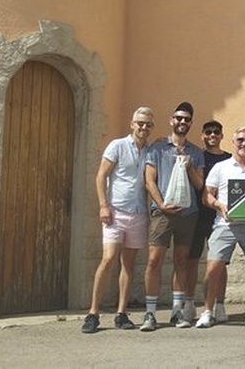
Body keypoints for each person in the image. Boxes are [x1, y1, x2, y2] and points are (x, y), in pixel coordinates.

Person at [82, 106, 155, 333]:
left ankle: (121, 313)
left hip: (139, 213)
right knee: (108, 259)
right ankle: (93, 313)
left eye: (147, 124)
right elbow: (101, 175)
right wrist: (103, 206)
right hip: (116, 211)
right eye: (140, 123)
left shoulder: (151, 152)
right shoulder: (117, 145)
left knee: (129, 264)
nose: (143, 127)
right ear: (132, 124)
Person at [195, 127, 245, 328]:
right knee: (213, 268)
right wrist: (220, 205)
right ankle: (208, 311)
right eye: (240, 140)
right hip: (224, 224)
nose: (244, 144)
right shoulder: (221, 167)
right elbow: (207, 195)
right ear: (233, 142)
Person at [140, 102, 205, 331]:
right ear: (171, 120)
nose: (182, 122)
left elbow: (200, 185)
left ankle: (177, 312)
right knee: (154, 261)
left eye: (186, 119)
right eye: (179, 118)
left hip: (188, 214)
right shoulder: (157, 149)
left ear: (190, 124)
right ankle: (149, 314)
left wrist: (188, 166)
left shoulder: (196, 152)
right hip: (162, 214)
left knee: (182, 262)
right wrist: (161, 205)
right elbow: (149, 180)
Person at [185, 120, 232, 323]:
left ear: (221, 135)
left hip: (221, 218)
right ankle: (188, 304)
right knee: (192, 260)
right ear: (203, 135)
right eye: (208, 132)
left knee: (219, 264)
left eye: (216, 132)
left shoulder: (230, 159)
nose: (212, 134)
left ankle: (219, 305)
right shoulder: (197, 156)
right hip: (197, 214)